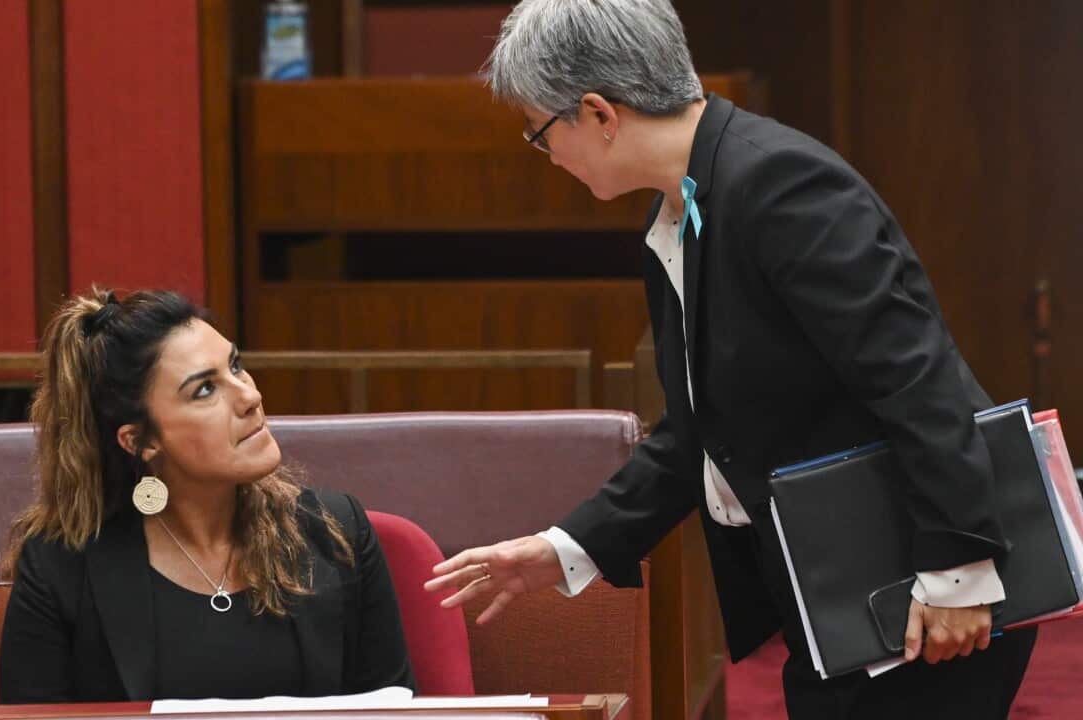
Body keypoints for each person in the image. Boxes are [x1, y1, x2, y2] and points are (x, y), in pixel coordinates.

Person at [425, 1, 1035, 717]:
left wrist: (957, 564)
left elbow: (914, 376)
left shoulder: (779, 185)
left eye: (540, 131)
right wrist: (564, 547)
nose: (546, 152)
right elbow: (700, 435)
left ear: (598, 112)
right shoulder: (680, 214)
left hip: (923, 584)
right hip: (850, 591)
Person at [0, 288, 414, 702]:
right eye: (204, 390)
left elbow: (394, 709)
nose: (250, 397)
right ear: (141, 441)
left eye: (236, 366)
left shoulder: (334, 533)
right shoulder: (62, 568)